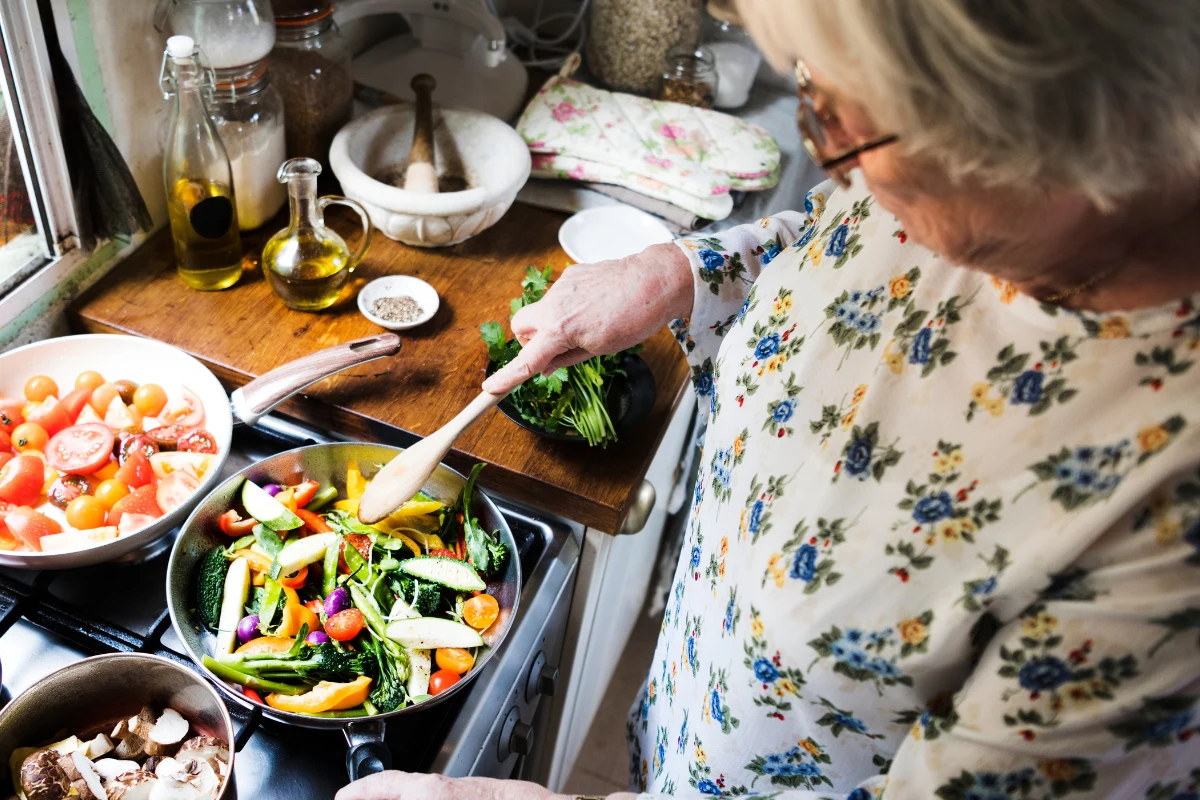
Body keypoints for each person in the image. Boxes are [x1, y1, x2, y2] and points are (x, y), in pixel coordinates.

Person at [338, 1, 1200, 798]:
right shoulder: (934, 190)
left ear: (1039, 135)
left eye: (833, 118)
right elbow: (842, 228)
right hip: (697, 701)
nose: (818, 149)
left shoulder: (1169, 517)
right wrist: (681, 270)